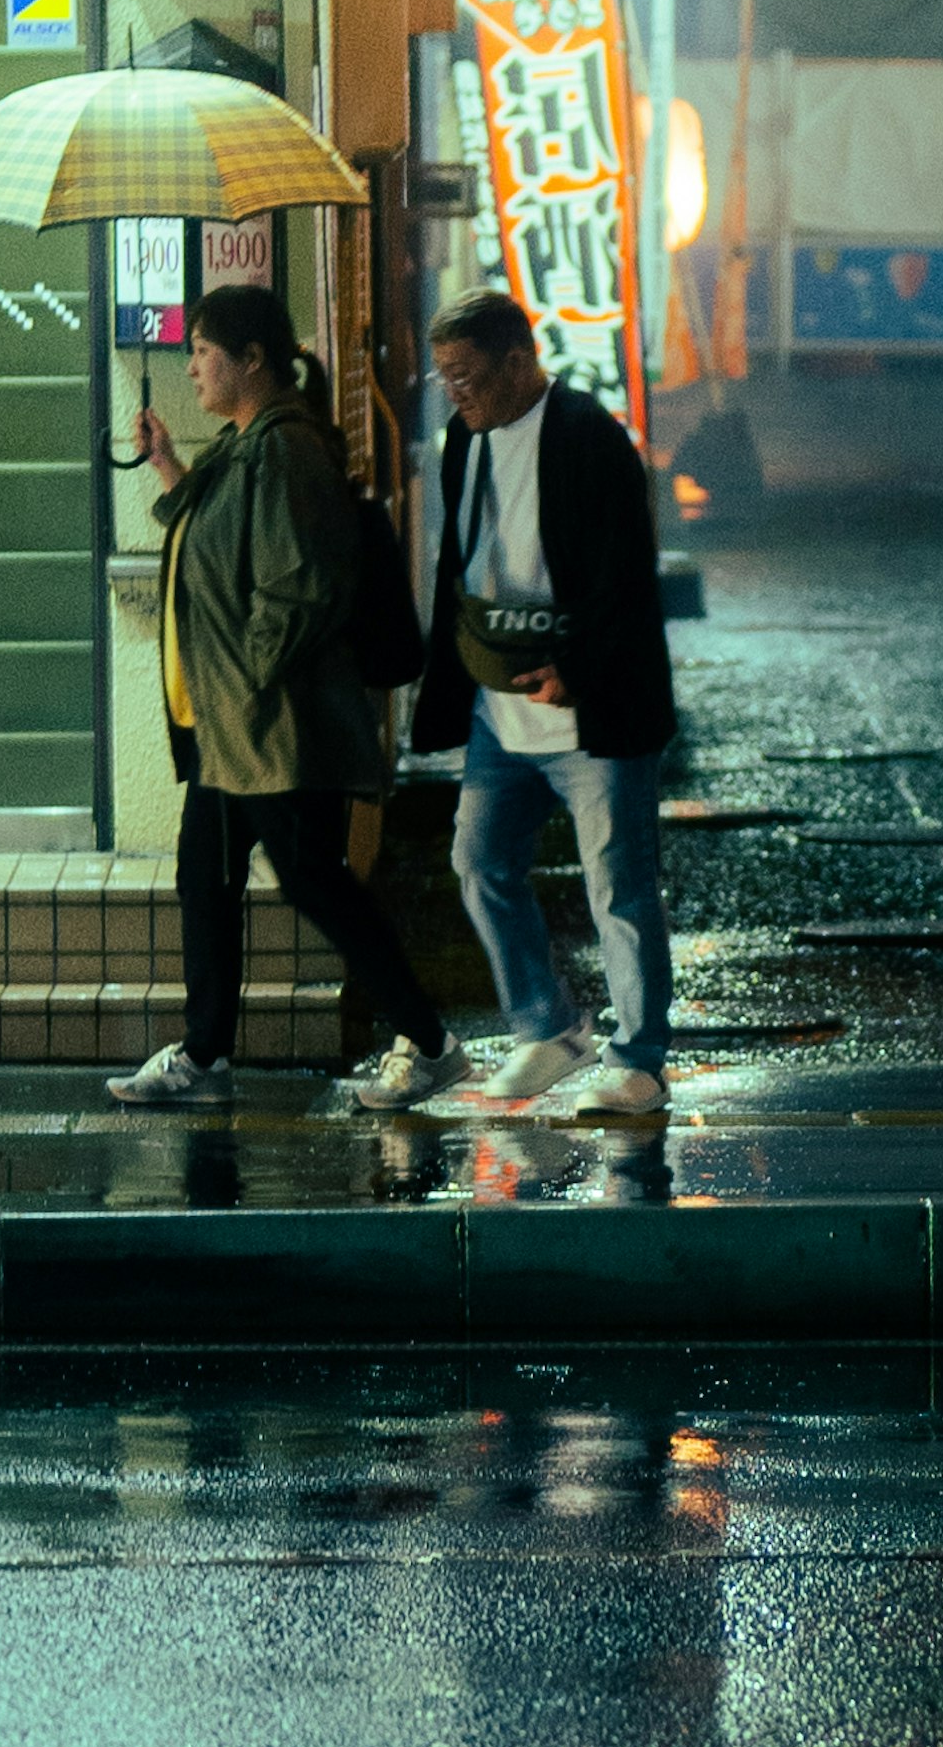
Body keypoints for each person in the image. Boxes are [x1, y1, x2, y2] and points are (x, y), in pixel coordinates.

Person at [108, 281, 444, 1113]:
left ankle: (429, 1041)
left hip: (274, 729)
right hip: (232, 732)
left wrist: (250, 674)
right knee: (206, 878)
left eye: (203, 352)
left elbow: (298, 587)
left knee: (314, 881)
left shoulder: (287, 450)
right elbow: (219, 530)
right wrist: (164, 462)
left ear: (252, 359)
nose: (189, 368)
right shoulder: (244, 442)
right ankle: (205, 1050)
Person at [390, 285, 677, 1120]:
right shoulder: (461, 437)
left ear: (520, 362)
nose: (456, 391)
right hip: (499, 709)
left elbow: (627, 578)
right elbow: (461, 565)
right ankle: (545, 1028)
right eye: (444, 377)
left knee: (619, 882)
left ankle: (641, 1058)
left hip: (592, 711)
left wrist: (575, 666)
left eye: (468, 375)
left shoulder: (590, 437)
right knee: (479, 863)